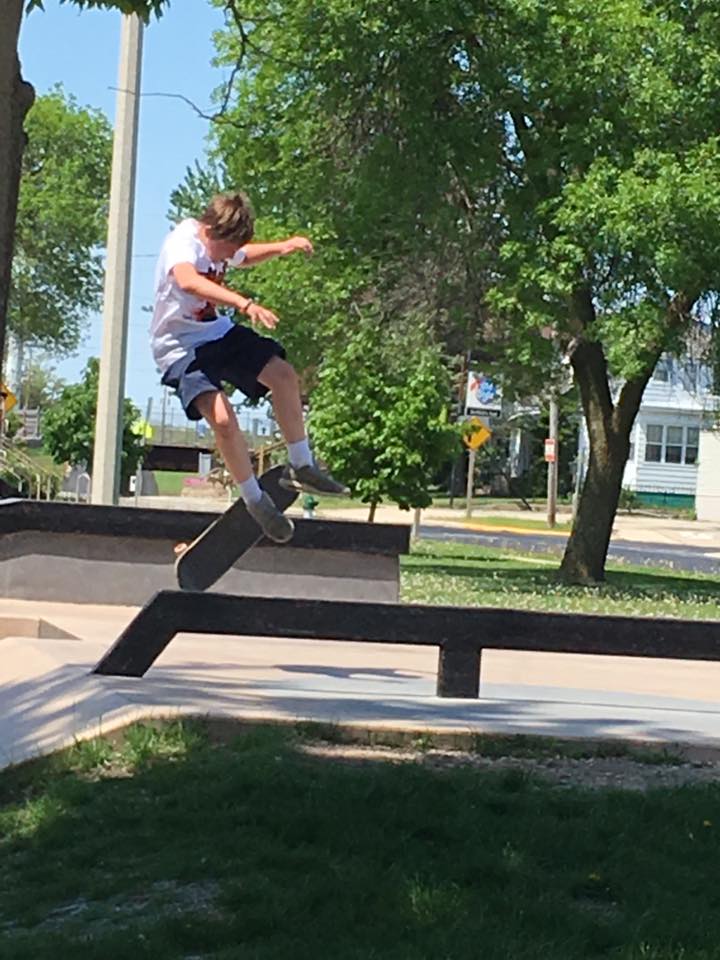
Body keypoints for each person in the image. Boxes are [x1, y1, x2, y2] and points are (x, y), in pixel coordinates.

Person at [150, 190, 348, 543]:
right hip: (179, 349)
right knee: (223, 419)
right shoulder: (183, 243)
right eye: (227, 250)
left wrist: (283, 246)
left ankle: (301, 464)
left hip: (216, 334)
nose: (230, 258)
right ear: (213, 232)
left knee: (283, 375)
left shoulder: (220, 242)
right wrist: (244, 304)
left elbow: (245, 255)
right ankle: (256, 502)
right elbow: (188, 280)